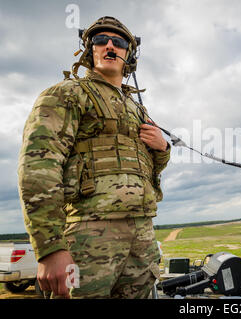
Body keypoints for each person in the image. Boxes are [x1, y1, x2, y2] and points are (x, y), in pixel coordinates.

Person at [17, 16, 170, 298]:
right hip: (88, 233)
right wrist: (50, 247)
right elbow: (39, 166)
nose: (110, 46)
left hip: (143, 235)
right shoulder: (67, 94)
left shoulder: (138, 110)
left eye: (119, 42)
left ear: (129, 54)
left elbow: (150, 169)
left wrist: (162, 149)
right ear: (89, 51)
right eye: (101, 40)